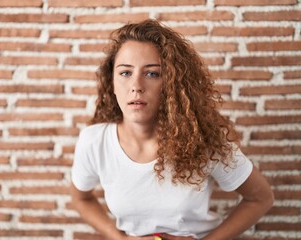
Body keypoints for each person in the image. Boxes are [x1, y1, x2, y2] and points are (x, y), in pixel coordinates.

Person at [70, 19, 274, 240]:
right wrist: (120, 238)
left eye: (152, 74)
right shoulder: (94, 141)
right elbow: (82, 198)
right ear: (112, 82)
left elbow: (261, 198)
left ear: (172, 84)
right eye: (126, 73)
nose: (136, 85)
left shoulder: (203, 140)